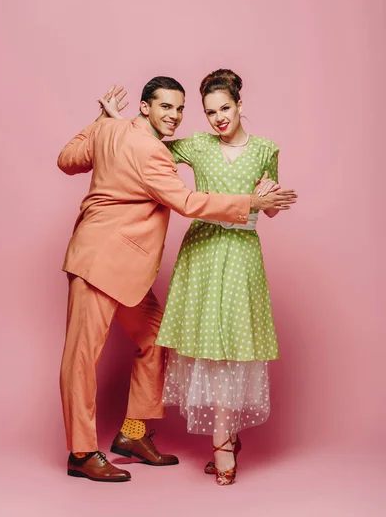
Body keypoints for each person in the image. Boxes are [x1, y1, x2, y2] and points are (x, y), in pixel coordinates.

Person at [58, 76, 297, 483]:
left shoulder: (114, 130)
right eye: (164, 107)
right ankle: (81, 452)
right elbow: (186, 201)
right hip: (98, 260)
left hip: (127, 269)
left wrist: (103, 121)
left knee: (155, 340)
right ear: (144, 107)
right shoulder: (149, 150)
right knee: (82, 356)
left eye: (179, 108)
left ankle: (133, 434)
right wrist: (250, 203)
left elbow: (68, 159)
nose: (174, 116)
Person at [154, 69, 296, 486]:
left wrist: (273, 201)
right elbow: (151, 150)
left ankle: (225, 438)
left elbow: (267, 207)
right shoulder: (197, 145)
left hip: (242, 254)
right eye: (210, 112)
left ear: (239, 105)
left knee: (233, 347)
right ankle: (223, 441)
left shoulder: (266, 149)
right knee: (208, 349)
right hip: (202, 252)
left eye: (225, 108)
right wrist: (113, 121)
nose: (218, 118)